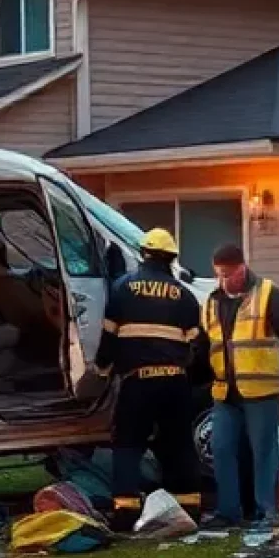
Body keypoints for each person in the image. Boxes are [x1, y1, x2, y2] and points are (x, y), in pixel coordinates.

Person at [94, 227, 206, 529]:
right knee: (180, 443)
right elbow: (198, 343)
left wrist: (102, 368)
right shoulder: (184, 295)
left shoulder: (122, 288)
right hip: (175, 384)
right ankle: (190, 507)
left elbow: (109, 335)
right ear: (171, 258)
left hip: (138, 382)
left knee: (128, 443)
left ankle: (126, 510)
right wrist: (192, 377)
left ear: (143, 254)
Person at [201, 243, 279, 525]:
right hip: (225, 391)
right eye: (218, 275)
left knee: (264, 452)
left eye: (228, 274)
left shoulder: (268, 294)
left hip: (261, 390)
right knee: (221, 448)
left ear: (242, 268)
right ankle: (228, 511)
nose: (223, 280)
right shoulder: (212, 300)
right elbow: (206, 343)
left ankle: (265, 510)